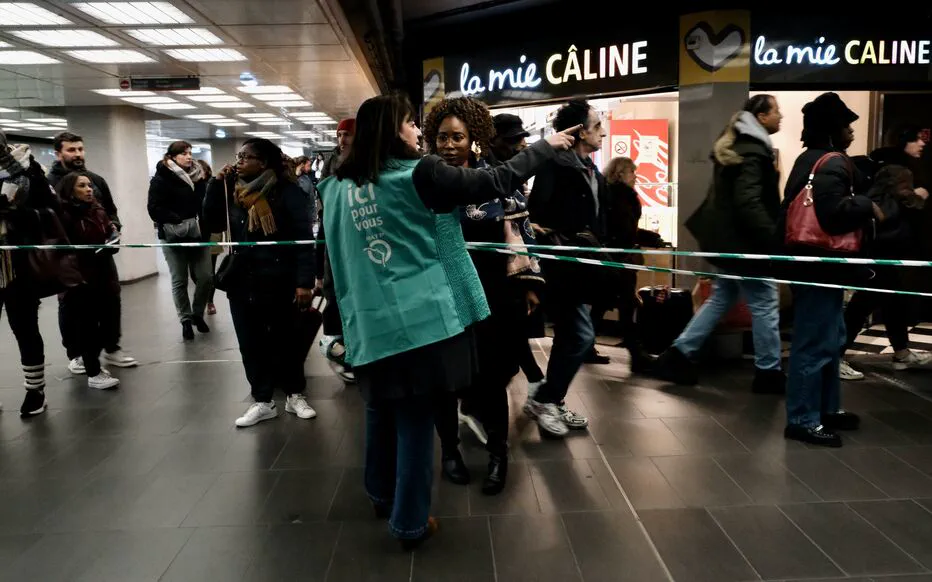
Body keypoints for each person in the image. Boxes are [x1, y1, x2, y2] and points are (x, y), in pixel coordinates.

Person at [317, 92, 578, 547]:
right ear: (393, 129)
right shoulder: (418, 173)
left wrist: (337, 321)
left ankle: (380, 494)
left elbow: (334, 259)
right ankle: (410, 522)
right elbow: (496, 180)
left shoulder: (336, 186)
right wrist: (546, 146)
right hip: (420, 324)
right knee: (417, 420)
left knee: (379, 411)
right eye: (410, 123)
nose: (418, 132)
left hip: (369, 324)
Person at [423, 99, 546, 494]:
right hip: (441, 292)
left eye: (457, 137)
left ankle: (498, 455)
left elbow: (521, 230)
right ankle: (450, 452)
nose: (449, 145)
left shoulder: (494, 179)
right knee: (443, 380)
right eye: (442, 137)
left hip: (493, 292)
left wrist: (528, 284)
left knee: (492, 377)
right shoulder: (423, 183)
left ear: (473, 139)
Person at [781, 92, 892, 447]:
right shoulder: (829, 163)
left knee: (829, 341)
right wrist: (867, 205)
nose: (851, 131)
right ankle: (803, 419)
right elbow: (831, 216)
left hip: (816, 266)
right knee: (815, 343)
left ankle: (826, 409)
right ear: (831, 130)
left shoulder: (814, 159)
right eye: (846, 125)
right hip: (819, 266)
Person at [654, 95, 786, 393]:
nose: (781, 116)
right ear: (762, 116)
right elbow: (749, 202)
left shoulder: (738, 146)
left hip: (728, 243)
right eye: (777, 111)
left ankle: (679, 354)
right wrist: (772, 239)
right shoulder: (754, 151)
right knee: (765, 303)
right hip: (747, 245)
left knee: (722, 297)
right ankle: (769, 372)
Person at [203, 138, 317, 428]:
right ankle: (263, 400)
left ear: (263, 162)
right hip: (243, 280)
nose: (239, 161)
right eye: (238, 156)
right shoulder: (231, 190)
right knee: (250, 343)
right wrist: (215, 184)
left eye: (246, 156)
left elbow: (304, 239)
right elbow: (212, 222)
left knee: (287, 341)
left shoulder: (287, 191)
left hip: (280, 279)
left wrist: (304, 282)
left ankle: (294, 394)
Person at [526, 98, 607, 437]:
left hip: (583, 270)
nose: (603, 132)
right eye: (597, 126)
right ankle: (544, 398)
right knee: (581, 336)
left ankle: (552, 399)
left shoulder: (591, 170)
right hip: (560, 270)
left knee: (568, 336)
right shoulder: (554, 166)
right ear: (580, 132)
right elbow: (535, 217)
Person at [840, 126, 931, 380]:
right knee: (864, 302)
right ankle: (835, 354)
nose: (922, 144)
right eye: (916, 139)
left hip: (881, 244)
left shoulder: (880, 163)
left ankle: (901, 353)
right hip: (886, 245)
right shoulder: (898, 168)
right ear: (904, 141)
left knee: (892, 299)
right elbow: (904, 203)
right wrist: (921, 194)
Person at [47, 131, 135, 372]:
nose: (77, 154)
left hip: (101, 256)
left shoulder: (95, 180)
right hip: (71, 260)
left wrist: (114, 227)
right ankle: (76, 354)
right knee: (72, 306)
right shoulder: (49, 184)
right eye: (71, 150)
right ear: (58, 153)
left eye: (80, 149)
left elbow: (110, 209)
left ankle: (112, 347)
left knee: (111, 299)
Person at [0, 131, 60, 416]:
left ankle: (35, 390)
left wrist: (16, 214)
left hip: (19, 262)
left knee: (24, 328)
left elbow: (51, 209)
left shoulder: (28, 167)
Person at [491, 114, 548, 400]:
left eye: (521, 139)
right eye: (512, 139)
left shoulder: (510, 174)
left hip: (514, 271)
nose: (520, 145)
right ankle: (537, 388)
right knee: (510, 334)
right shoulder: (490, 174)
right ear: (493, 140)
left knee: (512, 334)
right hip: (497, 273)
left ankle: (536, 386)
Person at [55, 172, 122, 390]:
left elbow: (110, 232)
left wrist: (113, 239)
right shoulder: (63, 215)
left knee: (108, 321)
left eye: (89, 185)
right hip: (80, 279)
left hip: (103, 273)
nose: (89, 189)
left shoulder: (98, 210)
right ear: (70, 190)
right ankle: (93, 371)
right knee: (87, 326)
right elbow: (61, 248)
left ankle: (91, 359)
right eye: (82, 186)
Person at [593, 156, 655, 373]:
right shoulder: (620, 197)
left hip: (615, 257)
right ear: (620, 174)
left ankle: (586, 346)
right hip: (618, 259)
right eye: (632, 172)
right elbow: (622, 229)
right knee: (624, 304)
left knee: (603, 303)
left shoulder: (614, 195)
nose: (635, 176)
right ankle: (635, 354)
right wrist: (644, 238)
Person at [147, 141, 213, 340]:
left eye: (190, 153)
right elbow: (154, 209)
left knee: (206, 277)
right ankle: (185, 320)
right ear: (172, 157)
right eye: (184, 153)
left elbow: (206, 205)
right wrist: (179, 220)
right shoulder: (161, 179)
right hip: (174, 236)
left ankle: (197, 314)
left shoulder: (200, 177)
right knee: (179, 279)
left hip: (199, 235)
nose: (189, 156)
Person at [317, 118, 357, 382]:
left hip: (358, 244)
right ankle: (341, 353)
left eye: (348, 134)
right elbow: (324, 220)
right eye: (339, 134)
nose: (342, 139)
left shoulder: (367, 165)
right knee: (335, 302)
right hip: (333, 247)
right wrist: (317, 272)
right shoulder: (330, 165)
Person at [198, 159, 222, 316]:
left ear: (206, 171)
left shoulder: (212, 186)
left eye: (199, 169)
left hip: (212, 232)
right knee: (196, 272)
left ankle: (210, 301)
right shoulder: (190, 186)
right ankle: (201, 298)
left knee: (210, 270)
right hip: (196, 233)